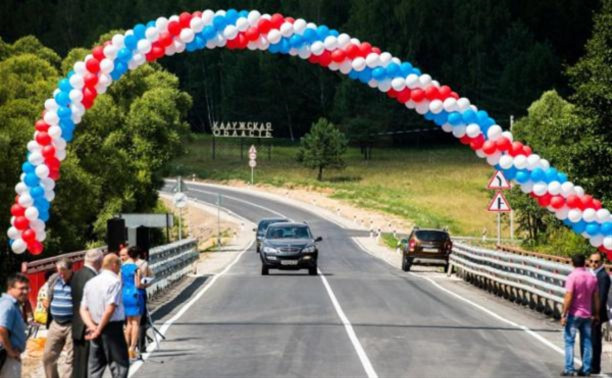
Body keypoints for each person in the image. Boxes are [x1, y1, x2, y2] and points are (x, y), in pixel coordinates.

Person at [80, 253, 129, 378]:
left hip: (94, 325)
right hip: (111, 327)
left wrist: (93, 327)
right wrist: (100, 329)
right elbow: (110, 308)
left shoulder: (91, 282)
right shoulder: (114, 282)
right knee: (119, 365)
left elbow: (83, 309)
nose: (120, 268)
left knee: (95, 366)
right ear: (113, 265)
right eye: (119, 265)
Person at [561, 253, 600, 376]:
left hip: (574, 314)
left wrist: (563, 314)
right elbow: (596, 298)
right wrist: (597, 313)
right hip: (587, 315)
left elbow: (569, 296)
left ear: (573, 263)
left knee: (569, 341)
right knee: (587, 342)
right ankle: (586, 369)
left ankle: (569, 369)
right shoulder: (592, 277)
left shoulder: (572, 276)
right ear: (585, 263)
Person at [71, 249, 103, 378]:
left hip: (76, 324)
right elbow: (93, 305)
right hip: (88, 325)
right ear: (98, 261)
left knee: (78, 363)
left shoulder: (76, 274)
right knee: (88, 365)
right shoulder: (94, 278)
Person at [42, 258, 75, 378]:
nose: (60, 273)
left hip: (72, 324)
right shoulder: (54, 279)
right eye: (58, 270)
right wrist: (48, 304)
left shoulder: (76, 281)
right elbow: (49, 295)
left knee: (71, 359)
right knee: (48, 357)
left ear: (71, 269)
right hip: (55, 324)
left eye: (63, 270)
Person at [0, 273, 30, 378]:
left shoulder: (12, 304)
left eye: (27, 288)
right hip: (7, 357)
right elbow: (1, 328)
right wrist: (10, 351)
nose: (25, 292)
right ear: (10, 288)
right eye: (21, 288)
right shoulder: (8, 305)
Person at [588, 252, 610, 375]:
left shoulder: (603, 276)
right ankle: (591, 364)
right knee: (591, 339)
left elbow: (602, 298)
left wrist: (595, 314)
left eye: (596, 262)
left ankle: (595, 366)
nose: (593, 264)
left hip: (596, 314)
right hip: (590, 312)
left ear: (601, 262)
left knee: (595, 340)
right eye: (591, 261)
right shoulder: (593, 273)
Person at [121, 247, 144, 359]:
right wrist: (146, 284)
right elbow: (138, 284)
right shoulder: (136, 268)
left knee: (128, 323)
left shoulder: (122, 267)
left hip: (125, 294)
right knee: (136, 323)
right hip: (135, 295)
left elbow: (120, 282)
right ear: (137, 256)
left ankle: (125, 347)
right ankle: (132, 348)